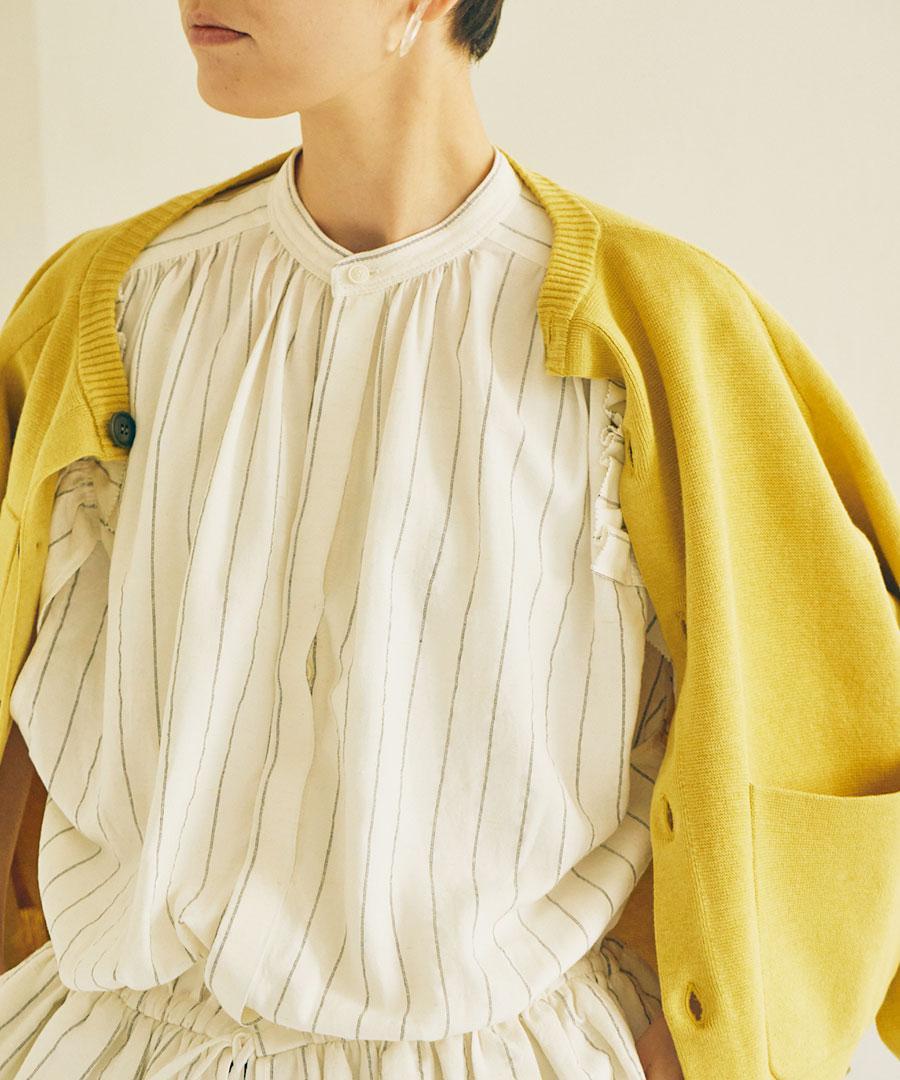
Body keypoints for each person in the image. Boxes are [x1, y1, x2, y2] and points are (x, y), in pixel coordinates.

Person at [0, 1, 684, 1077]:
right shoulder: (114, 304)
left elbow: (811, 712)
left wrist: (695, 1040)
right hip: (103, 1044)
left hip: (508, 1051)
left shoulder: (650, 341)